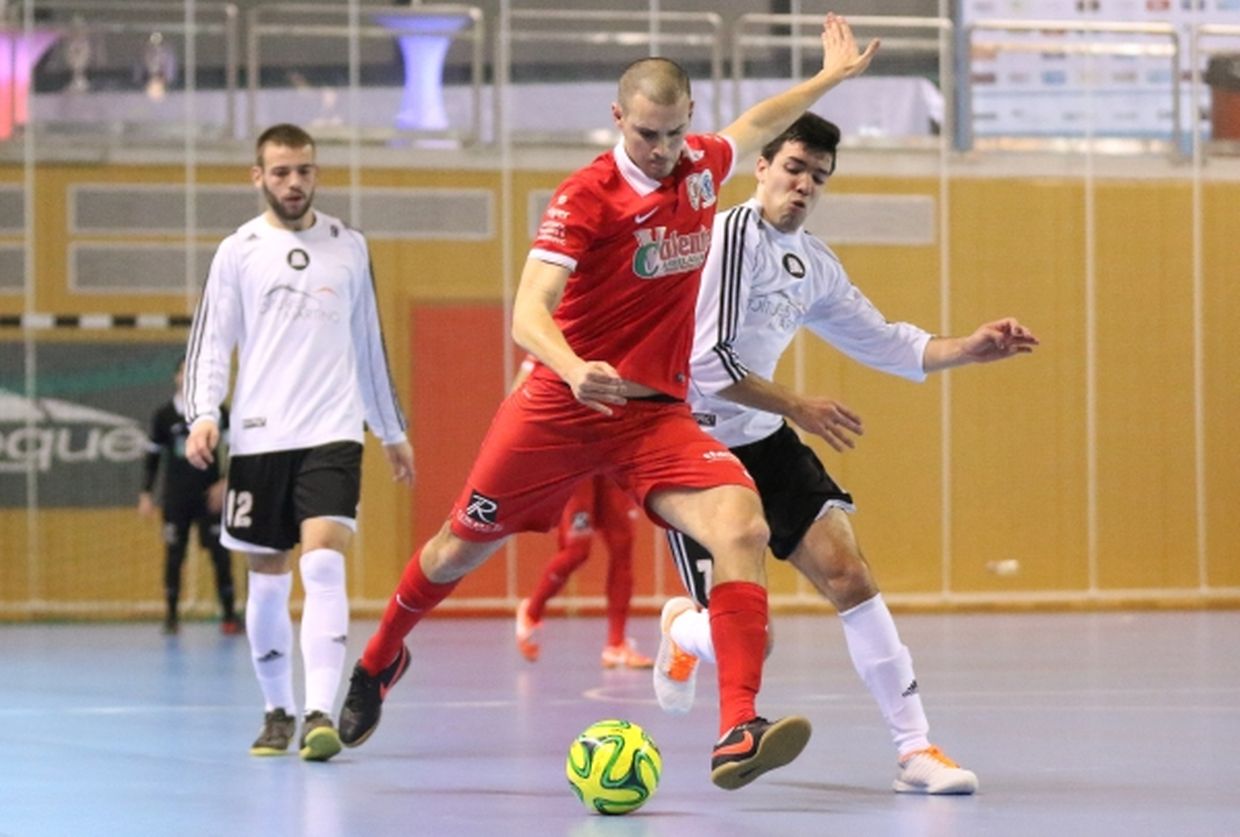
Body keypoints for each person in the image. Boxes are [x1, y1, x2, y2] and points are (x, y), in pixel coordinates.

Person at [339, 15, 879, 792]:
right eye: (648, 135)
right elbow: (530, 309)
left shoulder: (699, 166)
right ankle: (381, 653)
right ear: (618, 118)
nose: (661, 152)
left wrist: (827, 81)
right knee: (460, 544)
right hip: (560, 405)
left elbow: (756, 121)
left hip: (652, 414)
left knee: (745, 523)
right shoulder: (584, 197)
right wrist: (570, 363)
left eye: (674, 134)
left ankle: (736, 727)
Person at [653, 112, 1040, 795]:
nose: (804, 187)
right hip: (698, 449)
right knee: (755, 640)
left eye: (819, 178)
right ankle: (684, 630)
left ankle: (916, 748)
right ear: (762, 168)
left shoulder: (814, 265)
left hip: (765, 440)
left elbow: (888, 341)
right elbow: (708, 365)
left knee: (850, 574)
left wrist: (968, 349)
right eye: (795, 169)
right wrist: (801, 405)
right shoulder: (725, 238)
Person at [183, 123, 414, 763]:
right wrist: (204, 414)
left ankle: (319, 710)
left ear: (316, 173)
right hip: (261, 437)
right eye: (280, 172)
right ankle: (276, 710)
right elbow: (211, 340)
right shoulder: (239, 251)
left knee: (322, 562)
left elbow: (370, 345)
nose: (293, 182)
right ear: (258, 177)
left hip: (332, 433)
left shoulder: (349, 247)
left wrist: (390, 430)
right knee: (267, 579)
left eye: (303, 171)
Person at [138, 356, 240, 636]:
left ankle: (229, 615)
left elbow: (237, 449)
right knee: (174, 555)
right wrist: (147, 493)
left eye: (194, 373)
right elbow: (153, 457)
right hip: (176, 498)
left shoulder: (218, 412)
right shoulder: (164, 416)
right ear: (177, 377)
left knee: (220, 555)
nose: (188, 377)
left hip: (210, 497)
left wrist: (225, 483)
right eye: (184, 372)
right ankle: (171, 616)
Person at [515, 473, 652, 669]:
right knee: (577, 551)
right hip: (580, 466)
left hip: (614, 464)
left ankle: (616, 644)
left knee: (622, 549)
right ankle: (531, 611)